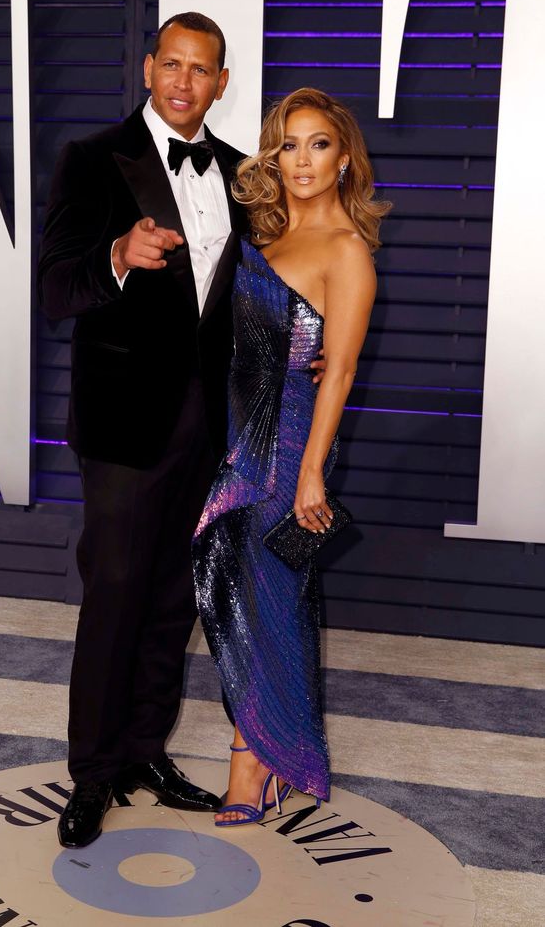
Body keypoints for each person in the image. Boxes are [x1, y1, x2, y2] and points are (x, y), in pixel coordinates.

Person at [37, 12, 249, 848]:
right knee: (116, 596)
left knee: (172, 603)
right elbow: (56, 289)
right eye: (173, 64)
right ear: (150, 66)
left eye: (202, 70)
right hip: (124, 426)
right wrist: (118, 254)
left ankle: (142, 754)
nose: (184, 81)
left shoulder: (242, 175)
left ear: (220, 84)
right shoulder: (92, 161)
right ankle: (92, 774)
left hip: (210, 430)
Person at [192, 87, 390, 825]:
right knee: (236, 582)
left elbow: (338, 370)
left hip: (291, 444)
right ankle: (273, 748)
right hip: (243, 433)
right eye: (289, 144)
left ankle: (255, 762)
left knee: (266, 594)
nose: (301, 160)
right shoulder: (266, 236)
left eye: (319, 145)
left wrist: (311, 471)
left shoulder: (346, 250)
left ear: (344, 160)